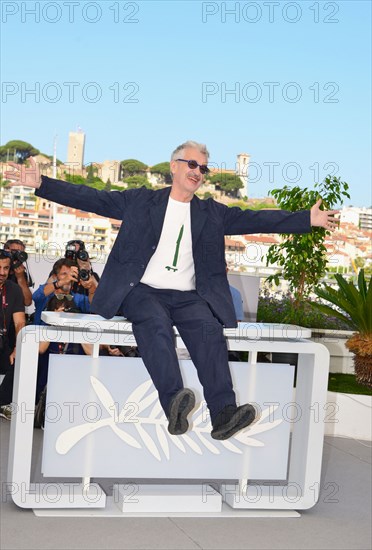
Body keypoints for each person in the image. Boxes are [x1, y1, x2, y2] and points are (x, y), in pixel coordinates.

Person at [5, 142, 339, 439]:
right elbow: (91, 198)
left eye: (203, 168)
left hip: (188, 296)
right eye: (192, 164)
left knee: (209, 331)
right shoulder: (140, 201)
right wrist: (42, 183)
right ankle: (173, 402)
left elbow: (256, 219)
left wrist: (304, 220)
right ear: (174, 166)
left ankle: (224, 413)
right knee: (152, 323)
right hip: (142, 290)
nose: (198, 172)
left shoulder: (212, 213)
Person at [0, 249, 26, 420]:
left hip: (3, 342)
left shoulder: (14, 290)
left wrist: (18, 347)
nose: (2, 273)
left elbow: (20, 322)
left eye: (6, 268)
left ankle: (2, 403)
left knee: (21, 358)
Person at [32, 258, 97, 325]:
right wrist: (61, 282)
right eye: (64, 274)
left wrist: (91, 287)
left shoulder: (76, 298)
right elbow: (36, 296)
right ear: (55, 277)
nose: (69, 277)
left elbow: (95, 305)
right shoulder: (47, 295)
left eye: (71, 274)